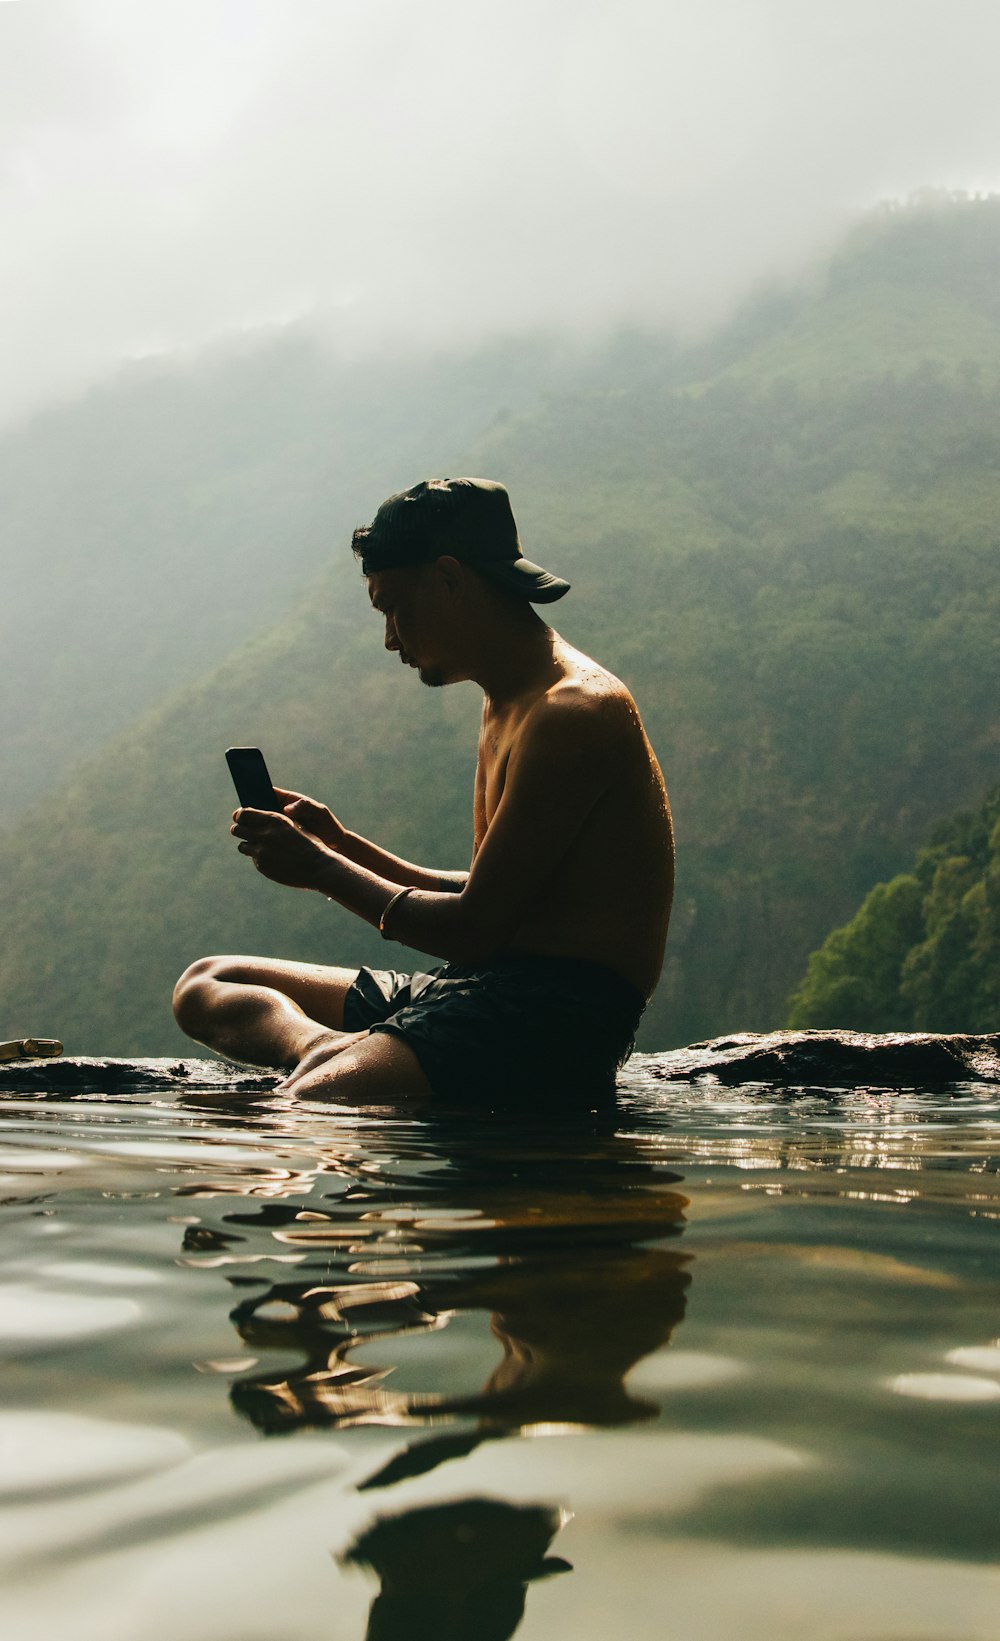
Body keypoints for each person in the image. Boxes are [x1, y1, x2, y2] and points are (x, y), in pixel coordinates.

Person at [172, 477, 674, 1101]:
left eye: (393, 607)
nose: (390, 637)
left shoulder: (570, 714)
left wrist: (323, 869)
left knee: (313, 1106)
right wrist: (341, 843)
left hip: (550, 1019)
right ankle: (317, 1046)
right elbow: (498, 894)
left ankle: (337, 1064)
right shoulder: (507, 700)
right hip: (483, 985)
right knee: (207, 982)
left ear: (449, 579)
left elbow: (474, 929)